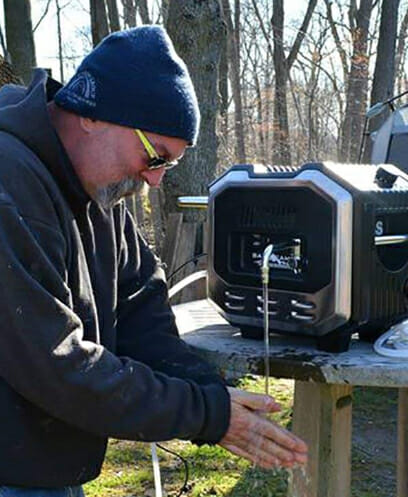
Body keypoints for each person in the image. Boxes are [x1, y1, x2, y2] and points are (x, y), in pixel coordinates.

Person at [0, 25, 307, 496]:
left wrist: (215, 397)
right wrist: (207, 416)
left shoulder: (99, 194)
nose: (156, 181)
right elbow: (55, 365)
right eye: (155, 156)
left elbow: (143, 314)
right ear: (93, 114)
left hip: (44, 468)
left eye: (169, 165)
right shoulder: (10, 181)